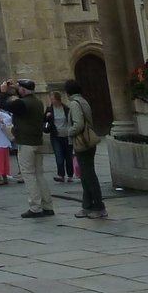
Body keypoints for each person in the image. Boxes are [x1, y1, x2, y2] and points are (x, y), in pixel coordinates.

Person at [3, 79, 53, 217]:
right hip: (37, 140)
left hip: (26, 142)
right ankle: (47, 205)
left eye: (19, 88)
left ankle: (35, 207)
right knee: (39, 174)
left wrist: (3, 92)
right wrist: (13, 88)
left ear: (23, 90)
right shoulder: (37, 102)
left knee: (29, 174)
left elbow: (5, 104)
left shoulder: (22, 103)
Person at [64, 80, 107, 219]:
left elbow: (79, 124)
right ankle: (87, 205)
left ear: (68, 92)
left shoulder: (74, 103)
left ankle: (99, 207)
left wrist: (68, 131)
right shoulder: (83, 101)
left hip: (82, 142)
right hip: (87, 141)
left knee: (89, 175)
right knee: (85, 175)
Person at [47, 89, 76, 183]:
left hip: (67, 135)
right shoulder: (49, 109)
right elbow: (44, 121)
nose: (51, 101)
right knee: (59, 156)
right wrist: (47, 116)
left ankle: (70, 175)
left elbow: (71, 120)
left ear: (58, 99)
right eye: (51, 99)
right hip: (56, 136)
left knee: (68, 157)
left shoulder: (66, 109)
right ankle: (61, 175)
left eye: (53, 99)